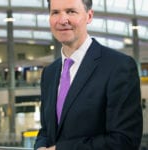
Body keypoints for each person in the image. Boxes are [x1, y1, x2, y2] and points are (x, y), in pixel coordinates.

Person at [34, 0, 143, 149]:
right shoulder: (49, 73)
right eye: (55, 12)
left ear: (89, 16)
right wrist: (40, 146)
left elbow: (124, 140)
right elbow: (47, 130)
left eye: (71, 11)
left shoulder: (119, 67)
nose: (62, 20)